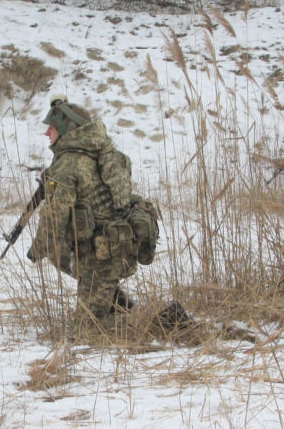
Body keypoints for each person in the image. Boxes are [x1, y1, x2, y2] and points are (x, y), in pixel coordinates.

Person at [25, 98, 186, 336]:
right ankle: (116, 303)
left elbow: (53, 216)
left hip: (98, 255)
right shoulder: (105, 153)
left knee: (88, 331)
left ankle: (165, 323)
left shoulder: (68, 165)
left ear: (67, 129)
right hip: (115, 246)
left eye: (53, 127)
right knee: (94, 303)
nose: (47, 132)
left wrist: (38, 249)